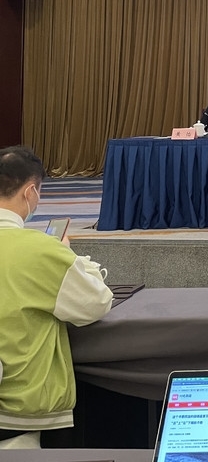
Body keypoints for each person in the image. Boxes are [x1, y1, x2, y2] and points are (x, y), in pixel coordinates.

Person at [0, 146, 112, 449]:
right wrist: (68, 256)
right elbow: (96, 303)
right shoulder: (39, 249)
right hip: (21, 409)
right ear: (30, 192)